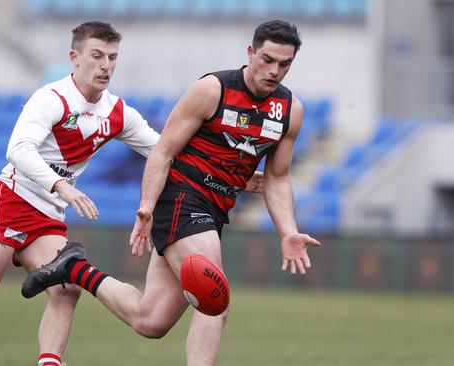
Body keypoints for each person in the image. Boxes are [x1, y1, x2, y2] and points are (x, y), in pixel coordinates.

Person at [0, 22, 265, 366]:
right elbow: (17, 150)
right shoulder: (51, 98)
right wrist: (61, 184)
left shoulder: (117, 112)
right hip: (11, 200)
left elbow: (163, 148)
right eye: (97, 56)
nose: (105, 66)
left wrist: (228, 175)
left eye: (112, 57)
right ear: (74, 58)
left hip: (47, 214)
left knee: (66, 288)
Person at [20, 20, 322, 365]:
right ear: (251, 52)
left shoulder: (289, 111)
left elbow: (278, 178)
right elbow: (162, 151)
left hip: (215, 211)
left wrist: (288, 231)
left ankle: (74, 268)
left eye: (284, 64)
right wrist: (147, 206)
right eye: (268, 59)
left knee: (150, 321)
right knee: (214, 301)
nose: (274, 71)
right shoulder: (213, 89)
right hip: (181, 197)